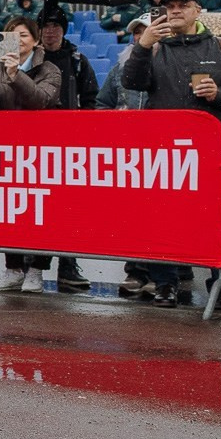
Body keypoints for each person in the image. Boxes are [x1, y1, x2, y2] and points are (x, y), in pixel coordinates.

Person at [123, 0, 221, 310]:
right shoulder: (153, 48)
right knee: (163, 218)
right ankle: (165, 284)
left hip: (216, 151)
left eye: (182, 5)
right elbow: (131, 83)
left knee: (218, 218)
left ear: (197, 10)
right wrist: (142, 46)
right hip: (166, 151)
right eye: (169, 6)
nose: (175, 11)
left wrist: (219, 94)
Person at [0, 16, 61, 295]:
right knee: (9, 210)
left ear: (35, 40)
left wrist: (15, 75)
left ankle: (36, 270)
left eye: (23, 35)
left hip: (40, 149)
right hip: (6, 148)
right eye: (11, 34)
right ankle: (13, 268)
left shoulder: (49, 69)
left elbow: (40, 100)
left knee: (41, 214)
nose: (17, 40)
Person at [34, 2, 100, 292]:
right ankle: (35, 265)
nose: (50, 31)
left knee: (68, 206)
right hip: (35, 139)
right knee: (39, 206)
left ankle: (68, 264)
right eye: (45, 26)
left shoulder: (77, 60)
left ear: (64, 29)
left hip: (68, 141)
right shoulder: (29, 58)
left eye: (56, 26)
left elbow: (91, 98)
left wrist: (84, 130)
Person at [97, 16, 161, 299]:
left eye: (146, 32)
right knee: (133, 215)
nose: (139, 37)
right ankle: (135, 270)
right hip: (129, 154)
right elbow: (102, 103)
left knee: (159, 214)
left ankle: (162, 273)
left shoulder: (170, 66)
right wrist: (114, 121)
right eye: (136, 33)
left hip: (161, 152)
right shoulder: (119, 69)